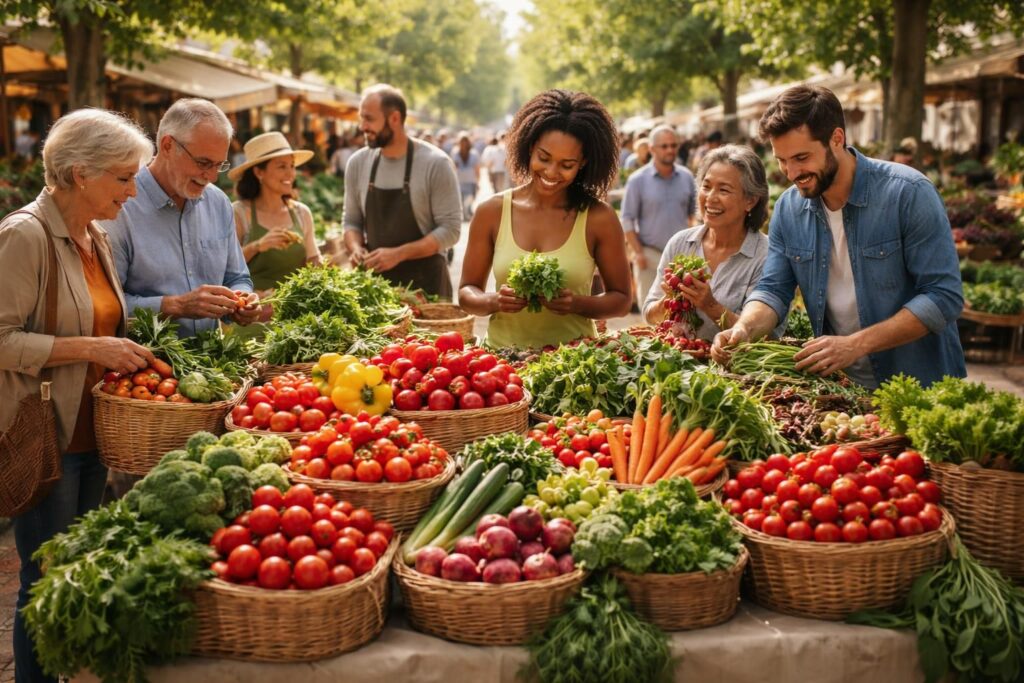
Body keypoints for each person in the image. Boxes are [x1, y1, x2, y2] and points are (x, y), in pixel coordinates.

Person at [0, 109, 158, 683]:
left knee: (76, 575)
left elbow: (109, 324)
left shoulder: (96, 236)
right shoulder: (25, 234)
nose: (133, 190)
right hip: (48, 435)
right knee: (45, 584)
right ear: (77, 173)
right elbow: (1, 339)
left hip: (95, 432)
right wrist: (90, 349)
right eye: (122, 177)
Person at [712, 85, 966, 388]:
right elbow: (773, 291)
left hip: (920, 385)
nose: (791, 173)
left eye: (801, 157)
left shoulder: (908, 193)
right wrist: (744, 328)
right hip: (843, 387)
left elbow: (943, 296)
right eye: (782, 160)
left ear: (837, 139)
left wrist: (856, 344)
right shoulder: (789, 209)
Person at [458, 89, 632, 349]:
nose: (551, 172)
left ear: (583, 162)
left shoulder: (599, 218)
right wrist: (493, 301)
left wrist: (577, 304)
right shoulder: (491, 211)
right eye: (544, 158)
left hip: (573, 366)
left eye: (567, 164)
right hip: (502, 366)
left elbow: (621, 300)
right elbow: (467, 292)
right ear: (529, 147)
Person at [104, 98, 261, 338]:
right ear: (167, 146)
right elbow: (107, 306)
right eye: (203, 162)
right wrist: (175, 306)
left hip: (212, 364)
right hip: (146, 370)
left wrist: (243, 299)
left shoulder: (218, 203)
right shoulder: (120, 207)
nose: (211, 176)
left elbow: (237, 276)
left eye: (218, 165)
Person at [644, 145, 785, 342]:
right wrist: (668, 301)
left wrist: (710, 306)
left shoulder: (767, 256)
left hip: (735, 371)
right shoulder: (681, 243)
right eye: (706, 186)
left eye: (724, 190)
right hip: (678, 365)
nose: (710, 198)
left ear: (750, 201)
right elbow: (649, 314)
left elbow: (766, 338)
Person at [342, 84, 462, 297]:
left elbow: (451, 230)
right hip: (375, 288)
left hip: (427, 286)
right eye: (361, 118)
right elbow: (351, 221)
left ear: (395, 119)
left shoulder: (436, 164)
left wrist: (399, 254)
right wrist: (355, 248)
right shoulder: (357, 163)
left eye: (369, 119)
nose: (362, 126)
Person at [228, 131, 322, 330]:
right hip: (254, 320)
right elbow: (225, 267)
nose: (290, 174)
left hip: (299, 320)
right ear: (259, 172)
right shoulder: (239, 213)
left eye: (292, 166)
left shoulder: (301, 213)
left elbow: (314, 260)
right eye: (281, 167)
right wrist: (258, 245)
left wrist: (321, 270)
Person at [620, 124, 697, 310]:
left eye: (673, 145)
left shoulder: (687, 177)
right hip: (649, 256)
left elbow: (694, 215)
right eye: (664, 146)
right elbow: (627, 219)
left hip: (681, 259)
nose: (670, 150)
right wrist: (637, 252)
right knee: (651, 313)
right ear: (652, 149)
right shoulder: (637, 180)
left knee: (682, 313)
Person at [452, 131, 481, 221]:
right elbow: (453, 167)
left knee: (469, 198)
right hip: (461, 180)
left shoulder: (473, 153)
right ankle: (465, 213)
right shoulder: (455, 153)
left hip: (469, 180)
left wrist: (477, 180)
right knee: (463, 198)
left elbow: (477, 168)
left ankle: (466, 211)